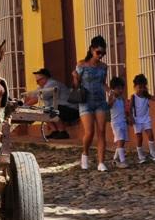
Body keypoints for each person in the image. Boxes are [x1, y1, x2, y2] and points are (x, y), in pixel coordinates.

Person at [73, 35, 109, 172]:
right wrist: (75, 77)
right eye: (98, 52)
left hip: (100, 101)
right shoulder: (81, 64)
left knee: (101, 131)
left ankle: (101, 162)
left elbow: (103, 83)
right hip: (85, 101)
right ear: (92, 49)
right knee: (89, 132)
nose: (100, 56)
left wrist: (110, 91)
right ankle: (85, 154)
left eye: (103, 53)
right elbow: (76, 85)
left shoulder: (104, 67)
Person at [23, 67, 78, 139]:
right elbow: (32, 96)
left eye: (38, 80)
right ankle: (55, 131)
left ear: (45, 78)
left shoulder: (52, 84)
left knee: (52, 109)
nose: (37, 83)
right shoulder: (42, 87)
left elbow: (39, 97)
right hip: (62, 109)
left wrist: (24, 106)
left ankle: (63, 132)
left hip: (71, 109)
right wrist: (23, 103)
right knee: (41, 111)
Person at [130, 73, 155, 163]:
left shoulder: (147, 96)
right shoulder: (133, 97)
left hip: (146, 119)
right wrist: (130, 117)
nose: (141, 89)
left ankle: (153, 154)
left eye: (143, 87)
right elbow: (129, 108)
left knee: (150, 135)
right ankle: (141, 157)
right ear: (135, 87)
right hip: (137, 120)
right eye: (139, 87)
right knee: (139, 138)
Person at [106, 77, 130, 168]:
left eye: (121, 88)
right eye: (118, 88)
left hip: (123, 121)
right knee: (120, 141)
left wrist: (127, 117)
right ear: (113, 88)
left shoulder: (122, 98)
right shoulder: (112, 97)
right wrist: (112, 99)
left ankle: (115, 159)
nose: (120, 90)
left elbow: (125, 108)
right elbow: (109, 105)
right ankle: (123, 161)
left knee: (122, 141)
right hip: (116, 123)